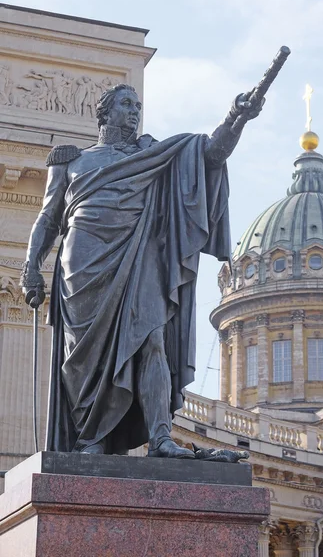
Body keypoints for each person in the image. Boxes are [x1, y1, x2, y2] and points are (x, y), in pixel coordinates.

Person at [21, 83, 263, 458]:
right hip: (82, 262)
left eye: (137, 105)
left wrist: (237, 117)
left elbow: (210, 154)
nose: (134, 111)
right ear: (104, 112)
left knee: (152, 339)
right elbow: (48, 219)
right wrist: (30, 267)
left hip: (139, 255)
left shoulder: (154, 156)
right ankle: (92, 440)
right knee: (85, 357)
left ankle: (161, 436)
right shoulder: (72, 161)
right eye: (125, 104)